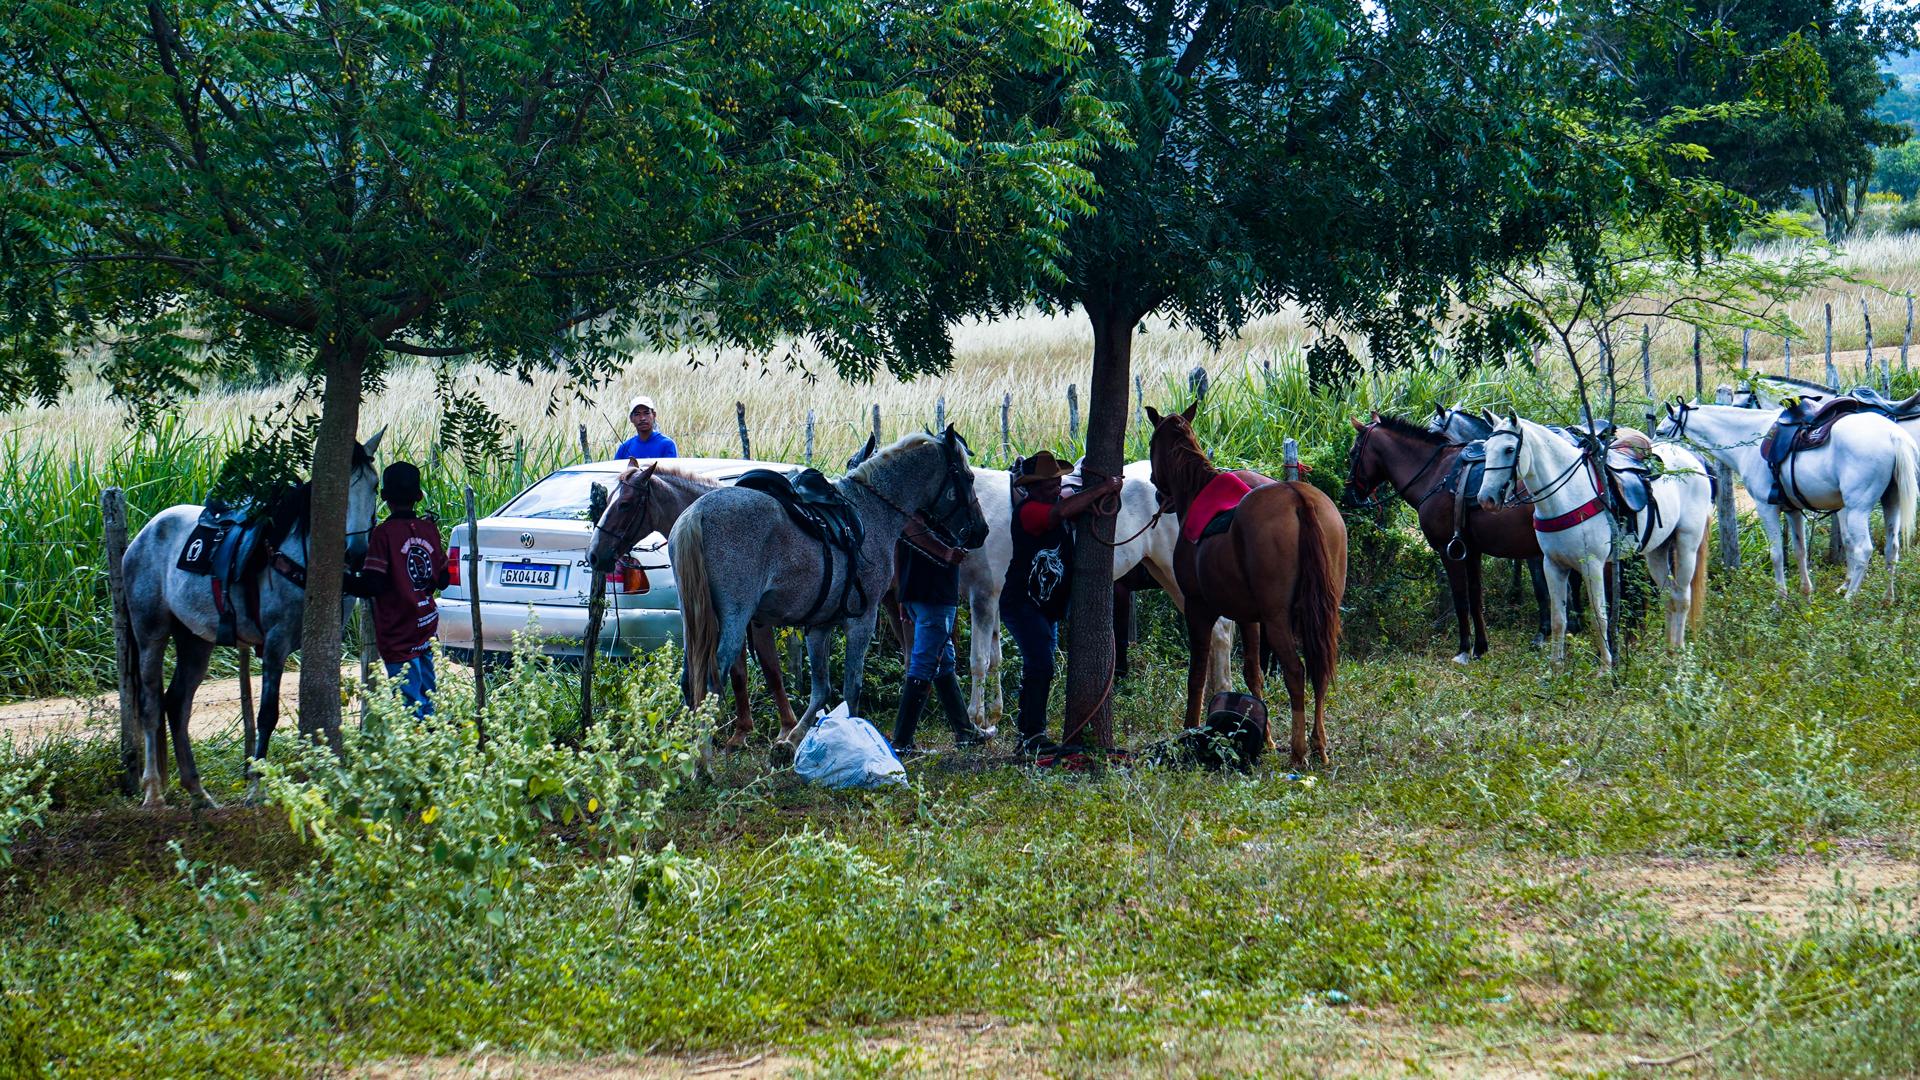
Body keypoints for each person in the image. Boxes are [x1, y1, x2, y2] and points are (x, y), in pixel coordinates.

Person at [1002, 451, 1122, 754]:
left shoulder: (1051, 504)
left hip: (1044, 606)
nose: (1056, 488)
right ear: (1032, 488)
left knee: (1040, 665)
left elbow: (1068, 509)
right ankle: (1031, 734)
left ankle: (1031, 733)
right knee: (1040, 664)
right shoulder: (1030, 511)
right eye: (1048, 485)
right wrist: (1103, 488)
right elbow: (1061, 512)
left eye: (1057, 482)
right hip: (1023, 604)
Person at [343, 462, 449, 717]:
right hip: (426, 627)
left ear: (384, 497)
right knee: (427, 701)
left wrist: (339, 576)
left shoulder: (383, 534)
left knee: (409, 708)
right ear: (419, 496)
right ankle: (432, 739)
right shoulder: (429, 529)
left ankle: (416, 741)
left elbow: (373, 585)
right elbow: (443, 580)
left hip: (398, 635)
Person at [890, 517, 997, 753]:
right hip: (935, 594)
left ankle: (965, 732)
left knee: (944, 660)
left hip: (914, 593)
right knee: (924, 662)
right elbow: (909, 526)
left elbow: (899, 541)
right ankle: (902, 741)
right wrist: (946, 552)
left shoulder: (913, 502)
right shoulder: (939, 505)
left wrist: (901, 593)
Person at [614, 395, 677, 459]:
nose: (642, 418)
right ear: (631, 418)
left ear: (654, 415)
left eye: (646, 413)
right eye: (637, 414)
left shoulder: (667, 444)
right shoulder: (624, 448)